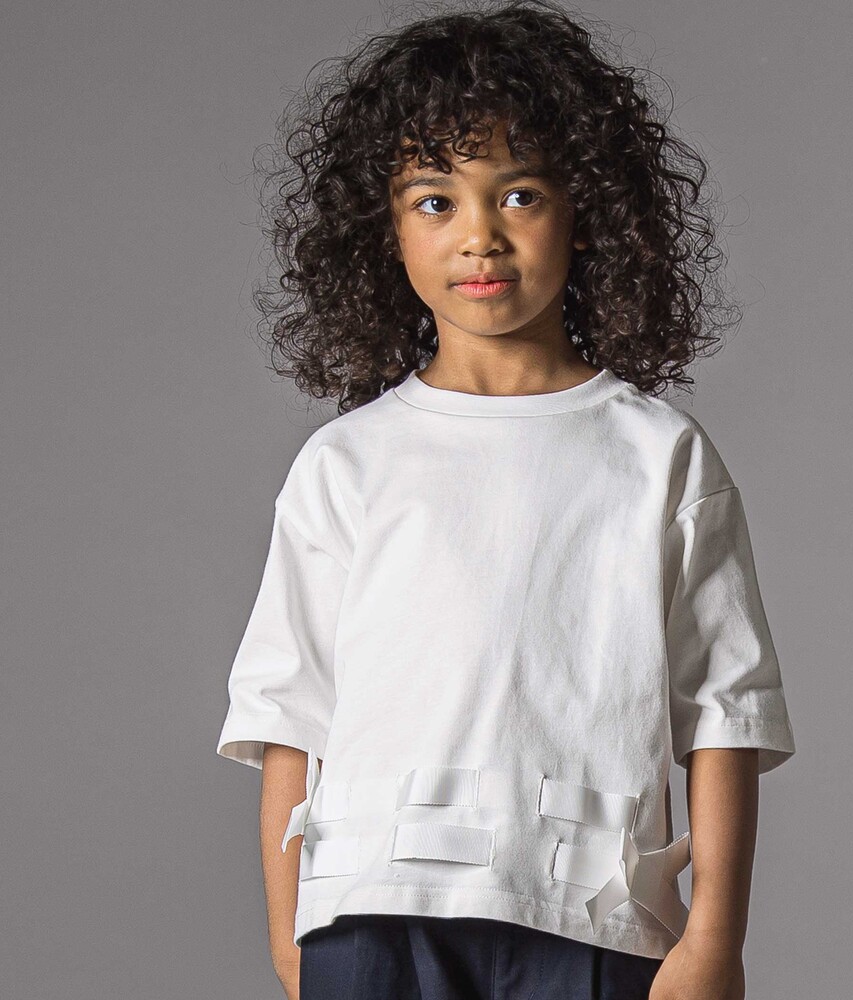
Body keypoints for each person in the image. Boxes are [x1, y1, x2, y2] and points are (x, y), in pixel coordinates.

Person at [215, 2, 796, 998]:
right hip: (369, 915)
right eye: (434, 200)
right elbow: (290, 717)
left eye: (519, 194)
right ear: (385, 229)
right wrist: (290, 941)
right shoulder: (346, 462)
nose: (478, 236)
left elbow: (724, 714)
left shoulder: (657, 456)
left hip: (592, 920)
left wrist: (712, 939)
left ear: (588, 210)